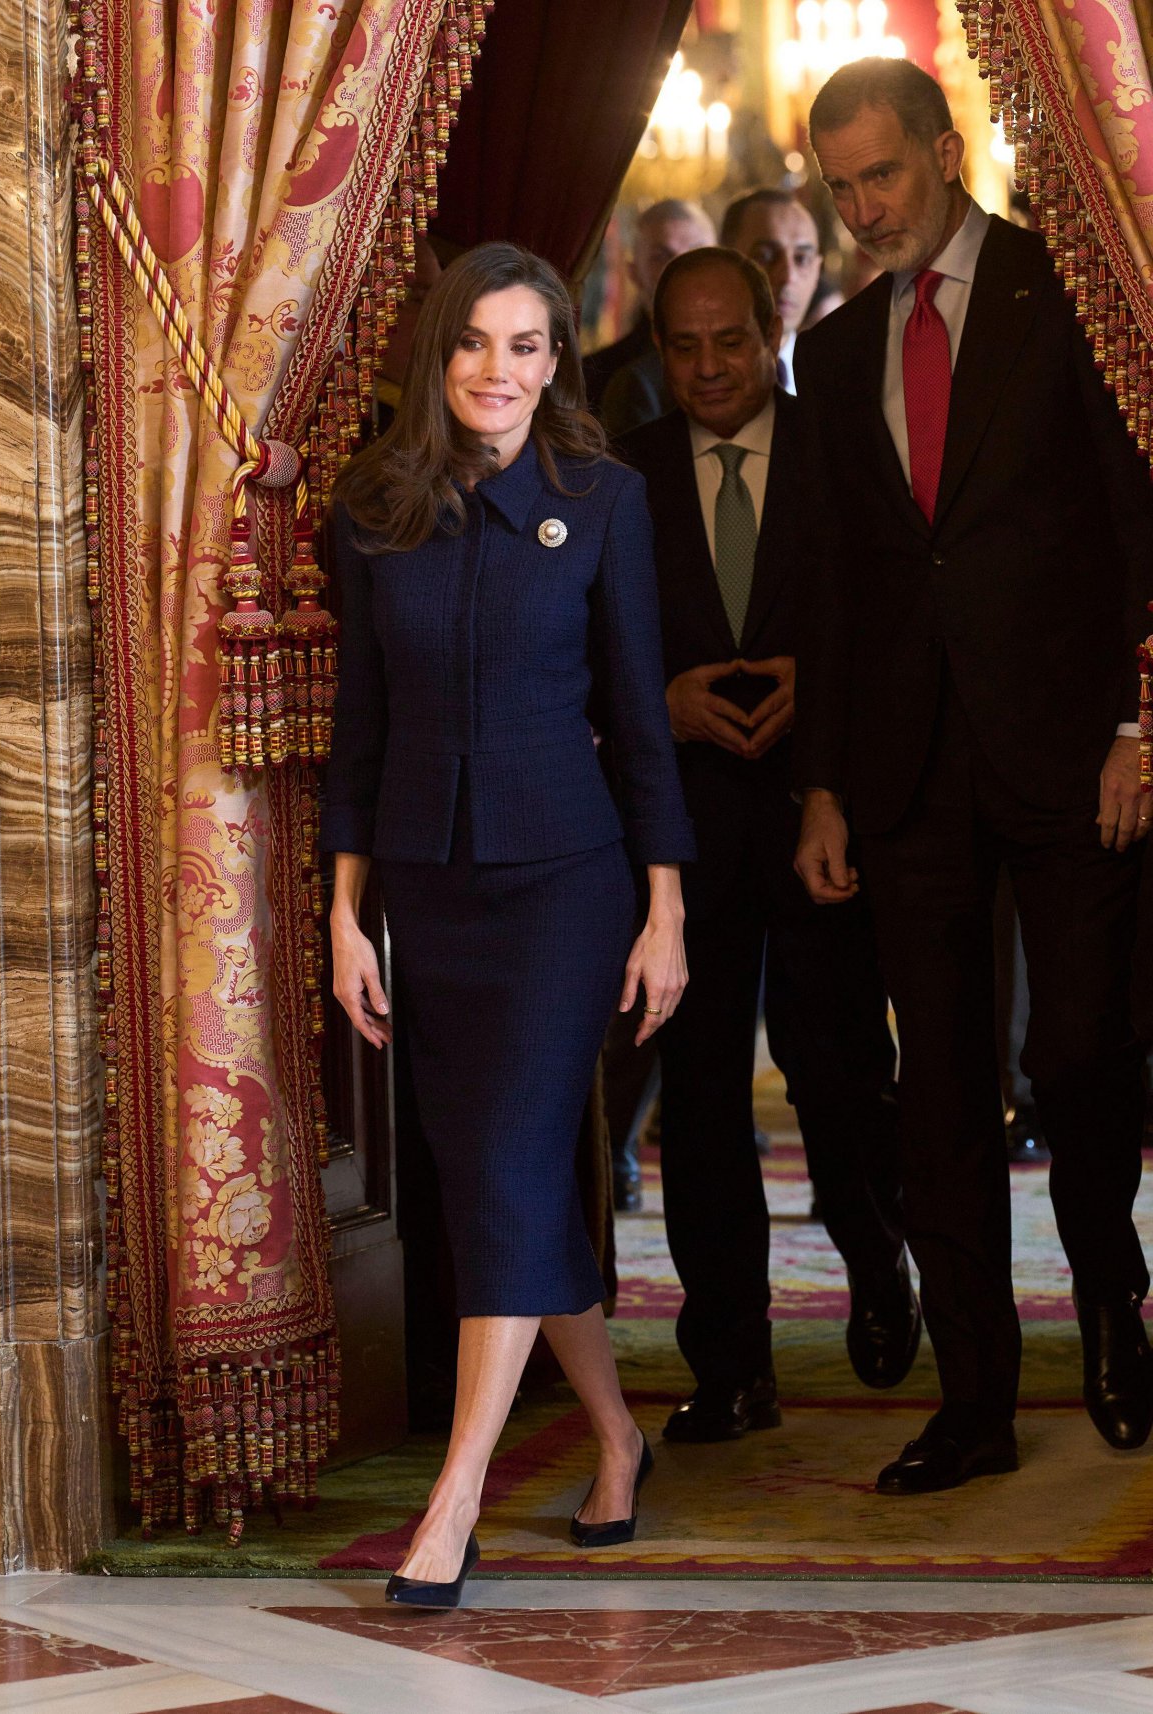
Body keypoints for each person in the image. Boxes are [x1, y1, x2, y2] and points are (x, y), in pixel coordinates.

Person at [793, 57, 1153, 1495]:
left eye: (881, 173)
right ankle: (976, 1398)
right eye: (841, 184)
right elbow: (828, 585)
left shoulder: (1067, 287)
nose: (864, 205)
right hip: (906, 765)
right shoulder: (830, 352)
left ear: (946, 151)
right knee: (932, 1093)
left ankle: (1117, 1315)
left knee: (1078, 1058)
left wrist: (1143, 719)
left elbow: (1139, 518)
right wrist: (822, 785)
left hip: (1072, 749)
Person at [323, 241, 694, 1606]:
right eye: (477, 343)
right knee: (507, 1172)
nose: (500, 371)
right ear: (441, 357)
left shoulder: (603, 500)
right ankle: (613, 1435)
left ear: (558, 359)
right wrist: (344, 911)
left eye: (528, 345)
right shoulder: (375, 508)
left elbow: (642, 716)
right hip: (428, 883)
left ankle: (457, 1493)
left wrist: (665, 906)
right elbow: (358, 731)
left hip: (567, 881)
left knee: (507, 1166)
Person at [619, 246, 914, 1444]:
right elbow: (594, 644)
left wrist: (821, 697)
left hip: (814, 814)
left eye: (728, 341)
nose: (707, 368)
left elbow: (888, 612)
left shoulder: (839, 446)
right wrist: (665, 701)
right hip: (684, 832)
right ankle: (731, 1361)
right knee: (696, 1107)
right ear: (660, 353)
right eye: (683, 348)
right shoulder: (624, 475)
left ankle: (877, 1258)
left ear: (769, 330)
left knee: (839, 1072)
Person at [589, 199, 716, 437]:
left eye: (697, 253)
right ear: (634, 272)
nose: (680, 268)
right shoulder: (596, 375)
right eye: (661, 256)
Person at [720, 188, 823, 394]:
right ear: (723, 263)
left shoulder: (838, 382)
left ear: (817, 272)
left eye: (801, 259)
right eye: (765, 256)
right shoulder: (671, 385)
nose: (787, 277)